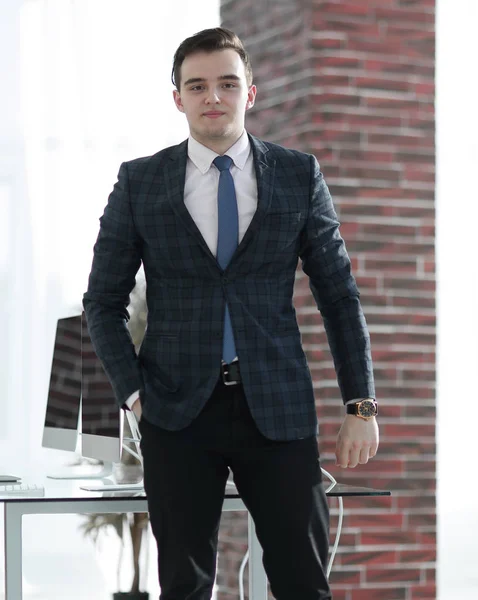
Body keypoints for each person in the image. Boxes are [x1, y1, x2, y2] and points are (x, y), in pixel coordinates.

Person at [83, 27, 379, 600]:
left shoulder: (298, 175)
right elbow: (102, 301)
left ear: (251, 93)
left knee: (302, 584)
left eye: (226, 83)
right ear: (178, 98)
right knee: (186, 588)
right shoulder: (139, 182)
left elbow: (339, 296)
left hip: (278, 410)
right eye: (197, 86)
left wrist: (361, 404)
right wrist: (136, 396)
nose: (212, 96)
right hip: (176, 416)